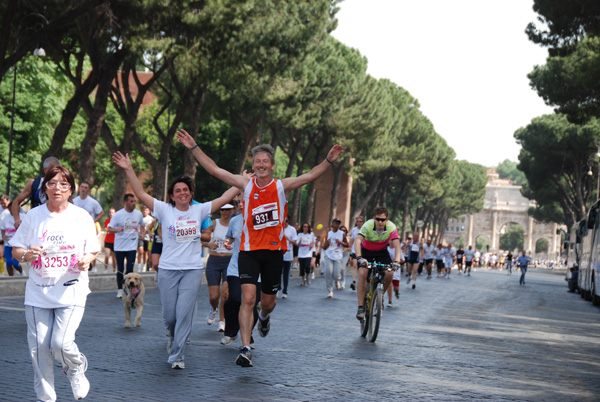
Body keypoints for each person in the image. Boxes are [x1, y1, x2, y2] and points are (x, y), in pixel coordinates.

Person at [176, 129, 343, 367]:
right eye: (257, 162)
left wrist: (327, 160)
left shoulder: (281, 187)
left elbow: (310, 175)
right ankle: (245, 348)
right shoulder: (245, 184)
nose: (261, 165)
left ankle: (264, 318)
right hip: (249, 252)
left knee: (267, 303)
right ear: (253, 166)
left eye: (265, 161)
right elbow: (214, 169)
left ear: (272, 166)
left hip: (274, 253)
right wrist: (194, 147)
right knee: (247, 298)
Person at [113, 151, 238, 369]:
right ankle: (172, 337)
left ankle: (178, 355)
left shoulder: (199, 210)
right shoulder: (164, 209)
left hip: (191, 270)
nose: (181, 193)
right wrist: (128, 168)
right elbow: (141, 193)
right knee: (170, 316)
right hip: (168, 269)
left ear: (190, 194)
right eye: (177, 190)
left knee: (183, 313)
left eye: (185, 190)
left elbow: (225, 198)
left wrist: (240, 182)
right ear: (172, 195)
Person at [10, 165, 99, 401]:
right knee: (40, 347)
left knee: (60, 343)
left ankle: (76, 368)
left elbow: (92, 250)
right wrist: (27, 255)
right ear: (45, 188)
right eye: (52, 183)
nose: (57, 188)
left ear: (71, 190)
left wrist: (86, 261)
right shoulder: (34, 216)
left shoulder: (81, 216)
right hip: (39, 292)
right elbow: (17, 248)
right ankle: (46, 398)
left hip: (71, 290)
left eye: (63, 184)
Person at [354, 206, 402, 320]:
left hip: (381, 252)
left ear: (387, 220)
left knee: (390, 273)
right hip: (367, 252)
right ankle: (361, 307)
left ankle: (380, 297)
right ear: (374, 218)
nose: (380, 222)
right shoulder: (368, 225)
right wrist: (360, 258)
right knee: (362, 274)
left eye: (383, 219)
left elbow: (397, 245)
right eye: (378, 219)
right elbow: (358, 241)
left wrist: (397, 261)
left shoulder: (391, 227)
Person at [106, 193, 144, 298]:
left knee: (130, 269)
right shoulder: (118, 215)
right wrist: (117, 230)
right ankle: (119, 289)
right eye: (131, 201)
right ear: (125, 202)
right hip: (120, 246)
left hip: (132, 246)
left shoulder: (138, 214)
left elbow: (142, 225)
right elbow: (109, 228)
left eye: (134, 201)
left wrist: (142, 233)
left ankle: (130, 289)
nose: (133, 203)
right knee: (120, 269)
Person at [205, 203, 235, 331]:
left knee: (225, 294)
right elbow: (202, 237)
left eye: (228, 210)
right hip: (214, 260)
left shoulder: (235, 223)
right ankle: (214, 308)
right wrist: (208, 244)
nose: (225, 212)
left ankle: (222, 321)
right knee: (214, 296)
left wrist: (233, 245)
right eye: (222, 209)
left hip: (229, 260)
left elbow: (241, 238)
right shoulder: (214, 223)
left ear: (232, 210)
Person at [11, 156, 60, 229]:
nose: (56, 172)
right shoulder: (35, 184)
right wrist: (17, 219)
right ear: (45, 170)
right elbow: (16, 202)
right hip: (36, 224)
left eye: (58, 169)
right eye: (53, 169)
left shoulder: (63, 185)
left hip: (56, 223)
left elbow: (70, 203)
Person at [322, 218, 348, 298]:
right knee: (328, 272)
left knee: (337, 275)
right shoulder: (328, 233)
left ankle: (337, 281)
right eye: (335, 223)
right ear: (332, 224)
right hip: (329, 255)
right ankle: (330, 290)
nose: (336, 225)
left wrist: (340, 242)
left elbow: (347, 245)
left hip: (338, 256)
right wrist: (327, 242)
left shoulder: (341, 234)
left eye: (338, 223)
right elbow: (324, 247)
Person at [0, 198, 25, 276]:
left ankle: (21, 271)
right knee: (8, 262)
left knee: (15, 263)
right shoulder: (6, 217)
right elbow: (2, 228)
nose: (12, 211)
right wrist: (3, 236)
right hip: (8, 243)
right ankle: (11, 279)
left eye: (13, 209)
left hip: (18, 244)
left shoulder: (23, 216)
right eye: (10, 209)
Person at [281, 216, 298, 298]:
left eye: (286, 221)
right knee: (277, 273)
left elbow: (295, 242)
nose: (285, 222)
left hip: (288, 254)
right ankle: (277, 288)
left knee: (286, 274)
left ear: (288, 221)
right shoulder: (278, 228)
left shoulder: (292, 230)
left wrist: (288, 239)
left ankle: (285, 291)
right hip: (278, 253)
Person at [349, 216, 365, 290]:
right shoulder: (354, 230)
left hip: (363, 250)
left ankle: (361, 282)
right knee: (354, 265)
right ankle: (354, 282)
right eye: (357, 221)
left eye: (360, 221)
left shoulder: (365, 229)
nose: (359, 223)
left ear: (363, 222)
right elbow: (352, 240)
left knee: (361, 267)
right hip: (354, 250)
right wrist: (348, 248)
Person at [140, 206, 154, 271]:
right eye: (144, 210)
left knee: (149, 253)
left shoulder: (151, 219)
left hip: (150, 239)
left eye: (146, 210)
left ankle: (149, 266)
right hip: (145, 238)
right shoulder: (141, 218)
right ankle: (144, 265)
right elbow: (145, 228)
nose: (145, 211)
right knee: (142, 252)